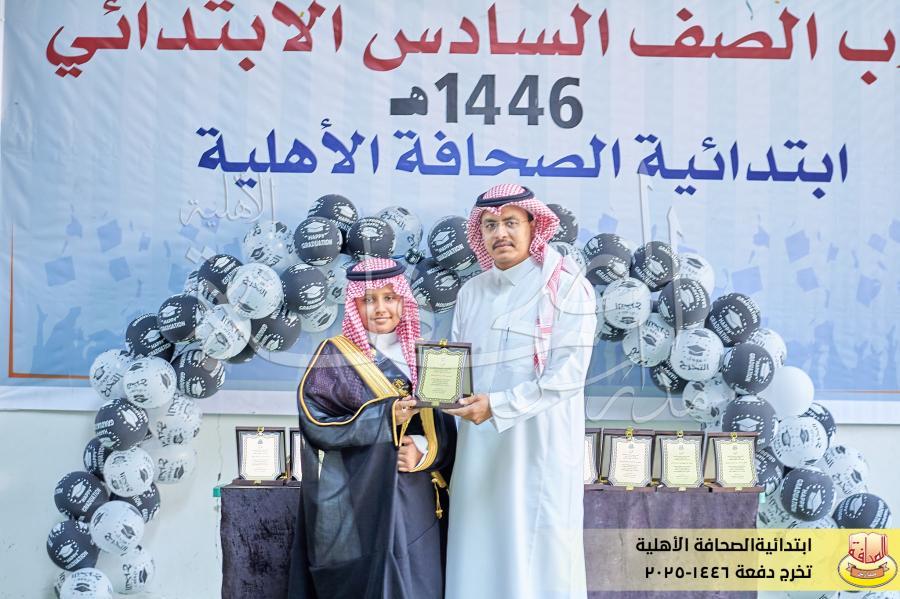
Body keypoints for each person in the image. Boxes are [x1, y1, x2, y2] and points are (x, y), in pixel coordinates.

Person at [444, 184, 597, 599]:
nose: (500, 234)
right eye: (490, 225)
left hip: (538, 449)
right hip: (477, 452)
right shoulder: (471, 292)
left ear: (533, 225)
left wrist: (499, 406)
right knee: (475, 559)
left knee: (538, 567)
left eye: (511, 222)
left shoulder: (566, 287)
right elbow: (456, 374)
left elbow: (568, 375)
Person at [288, 257, 456, 599]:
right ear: (355, 305)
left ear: (403, 300)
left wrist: (423, 450)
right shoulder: (334, 356)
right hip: (360, 498)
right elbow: (316, 423)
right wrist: (385, 417)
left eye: (389, 297)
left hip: (415, 496)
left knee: (419, 582)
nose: (380, 308)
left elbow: (448, 429)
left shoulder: (430, 356)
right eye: (369, 300)